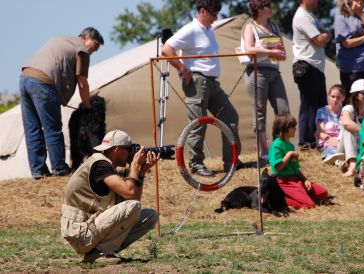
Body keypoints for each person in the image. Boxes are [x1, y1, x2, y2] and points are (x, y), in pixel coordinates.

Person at [161, 0, 242, 176]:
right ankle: (196, 164)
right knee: (198, 124)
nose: (215, 17)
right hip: (197, 82)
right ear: (203, 11)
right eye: (214, 14)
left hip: (212, 83)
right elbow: (167, 50)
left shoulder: (208, 30)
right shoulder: (191, 29)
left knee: (230, 118)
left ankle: (232, 161)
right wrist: (182, 69)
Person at [61, 129, 160, 264]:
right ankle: (99, 253)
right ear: (117, 149)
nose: (131, 153)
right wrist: (134, 167)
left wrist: (141, 172)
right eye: (129, 149)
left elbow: (132, 199)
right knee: (133, 207)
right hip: (80, 234)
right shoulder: (100, 165)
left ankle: (100, 252)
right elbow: (130, 193)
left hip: (87, 229)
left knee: (150, 216)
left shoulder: (106, 167)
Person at [19, 27, 104, 179]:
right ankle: (60, 169)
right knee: (53, 129)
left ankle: (38, 171)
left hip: (25, 78)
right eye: (96, 46)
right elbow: (83, 83)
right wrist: (87, 107)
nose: (95, 51)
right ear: (87, 38)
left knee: (32, 129)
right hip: (44, 84)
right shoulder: (82, 50)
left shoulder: (60, 39)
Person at [242, 0, 290, 164]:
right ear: (260, 9)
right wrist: (270, 51)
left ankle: (282, 148)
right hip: (256, 71)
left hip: (274, 72)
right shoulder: (250, 26)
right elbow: (249, 49)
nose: (271, 8)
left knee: (283, 111)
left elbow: (282, 53)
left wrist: (278, 53)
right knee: (259, 112)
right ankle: (264, 151)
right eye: (268, 5)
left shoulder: (274, 26)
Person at [292, 0, 332, 150]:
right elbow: (320, 40)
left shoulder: (311, 16)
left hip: (316, 67)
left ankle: (317, 139)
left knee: (320, 105)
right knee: (309, 106)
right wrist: (325, 35)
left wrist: (324, 35)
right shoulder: (302, 16)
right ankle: (306, 142)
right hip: (306, 65)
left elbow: (324, 35)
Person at [269, 113, 329, 209]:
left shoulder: (290, 145)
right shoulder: (276, 145)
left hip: (296, 180)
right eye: (292, 127)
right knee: (309, 205)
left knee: (323, 193)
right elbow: (278, 168)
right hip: (284, 182)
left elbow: (296, 169)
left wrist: (305, 180)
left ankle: (301, 194)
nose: (295, 129)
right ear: (283, 129)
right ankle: (283, 198)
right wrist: (289, 155)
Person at [334, 0, 364, 101]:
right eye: (363, 1)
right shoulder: (341, 18)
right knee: (351, 103)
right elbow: (347, 43)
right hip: (351, 70)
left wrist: (361, 13)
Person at [338, 79, 364, 177]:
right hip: (343, 150)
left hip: (360, 149)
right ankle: (353, 167)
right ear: (356, 95)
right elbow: (346, 123)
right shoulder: (348, 108)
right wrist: (363, 131)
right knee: (349, 129)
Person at [315, 84, 346, 167]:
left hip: (342, 142)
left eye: (338, 97)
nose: (335, 100)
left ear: (343, 98)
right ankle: (338, 163)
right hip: (328, 142)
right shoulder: (321, 111)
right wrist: (332, 140)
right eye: (332, 96)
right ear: (328, 96)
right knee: (331, 152)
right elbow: (320, 132)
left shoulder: (345, 112)